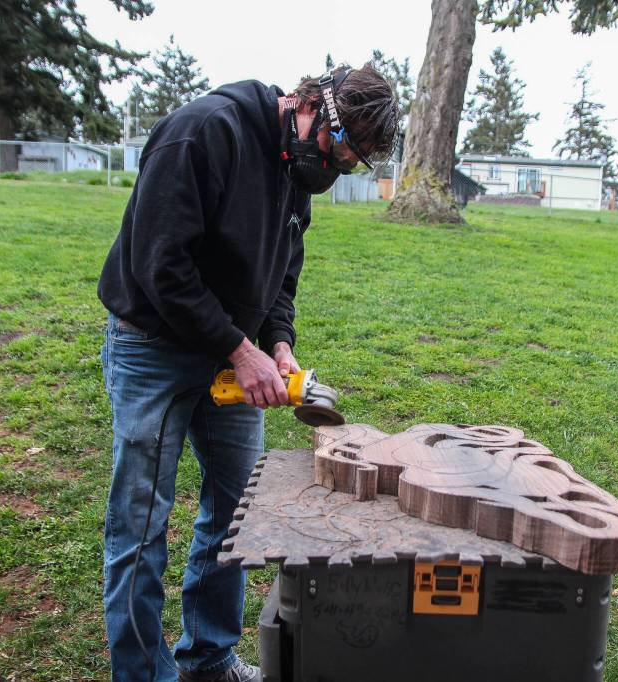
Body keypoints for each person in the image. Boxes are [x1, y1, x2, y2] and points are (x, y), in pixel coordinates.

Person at [96, 66, 398, 682]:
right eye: (338, 149)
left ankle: (207, 658)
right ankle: (142, 675)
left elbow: (283, 275)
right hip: (153, 346)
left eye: (352, 163)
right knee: (141, 525)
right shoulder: (206, 132)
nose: (336, 168)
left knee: (237, 513)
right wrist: (241, 350)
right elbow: (162, 265)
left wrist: (278, 344)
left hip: (229, 352)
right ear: (313, 104)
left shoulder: (297, 171)